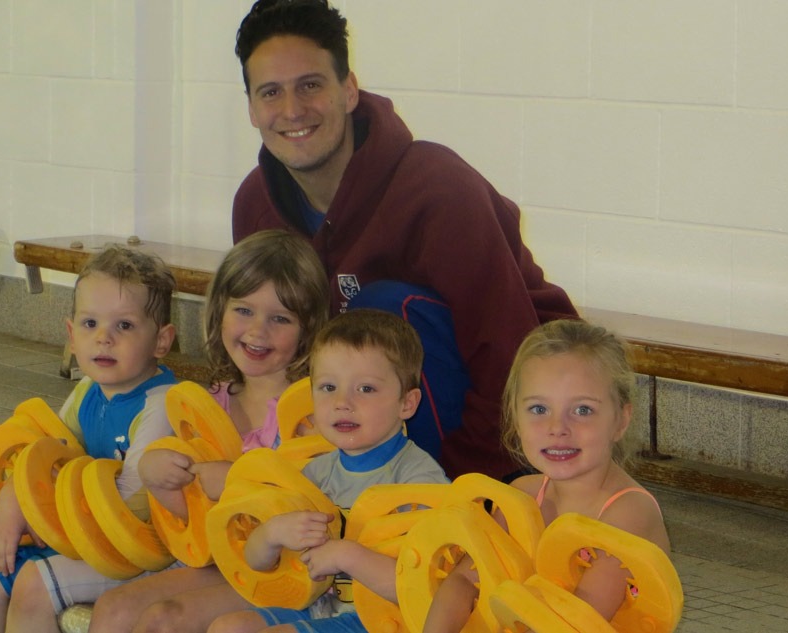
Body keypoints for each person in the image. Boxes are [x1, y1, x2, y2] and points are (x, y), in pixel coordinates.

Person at [230, 0, 578, 482]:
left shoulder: (438, 189)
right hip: (366, 443)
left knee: (382, 308)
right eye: (271, 92)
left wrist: (459, 494)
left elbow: (507, 352)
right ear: (251, 108)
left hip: (518, 426)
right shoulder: (255, 204)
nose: (292, 110)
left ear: (349, 90)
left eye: (310, 85)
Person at [88, 229, 330, 633]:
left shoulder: (312, 418)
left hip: (287, 571)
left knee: (165, 620)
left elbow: (320, 518)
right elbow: (195, 526)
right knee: (114, 608)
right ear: (219, 310)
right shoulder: (207, 408)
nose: (257, 331)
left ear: (308, 329)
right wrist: (160, 479)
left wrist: (235, 481)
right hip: (220, 558)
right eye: (244, 310)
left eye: (280, 318)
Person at [0, 244, 180, 633]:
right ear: (72, 335)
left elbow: (132, 503)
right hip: (86, 535)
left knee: (34, 585)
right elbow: (44, 461)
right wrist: (15, 499)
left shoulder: (161, 405)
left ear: (161, 340)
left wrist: (49, 514)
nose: (104, 338)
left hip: (142, 551)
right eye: (91, 324)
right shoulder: (87, 391)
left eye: (124, 325)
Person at [207, 308, 450, 633]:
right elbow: (255, 561)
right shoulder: (313, 473)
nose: (342, 402)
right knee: (227, 628)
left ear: (407, 403)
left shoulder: (418, 481)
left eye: (365, 389)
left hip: (384, 620)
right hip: (318, 607)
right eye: (328, 387)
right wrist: (272, 534)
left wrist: (348, 556)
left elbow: (431, 590)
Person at [421, 319, 672, 632]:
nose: (558, 428)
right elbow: (465, 578)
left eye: (582, 410)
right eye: (539, 409)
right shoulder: (522, 496)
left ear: (620, 420)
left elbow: (570, 623)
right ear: (515, 416)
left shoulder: (628, 513)